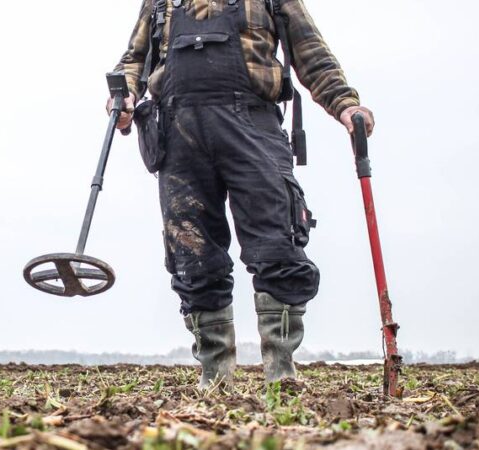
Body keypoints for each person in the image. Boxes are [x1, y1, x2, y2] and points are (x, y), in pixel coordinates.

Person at [109, 0, 375, 388]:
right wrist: (123, 96)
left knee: (277, 246)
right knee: (193, 257)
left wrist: (346, 106)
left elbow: (311, 53)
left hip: (252, 124)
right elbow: (133, 60)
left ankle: (281, 374)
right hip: (178, 133)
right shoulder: (161, 3)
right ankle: (215, 377)